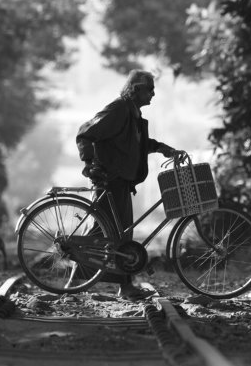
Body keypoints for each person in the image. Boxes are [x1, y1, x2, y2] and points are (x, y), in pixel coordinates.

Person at [76, 70, 180, 300]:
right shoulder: (118, 110)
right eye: (150, 89)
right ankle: (84, 282)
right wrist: (89, 163)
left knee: (119, 235)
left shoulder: (132, 112)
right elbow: (85, 133)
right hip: (109, 179)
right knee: (107, 233)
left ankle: (120, 285)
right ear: (136, 89)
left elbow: (137, 144)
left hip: (120, 181)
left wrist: (162, 148)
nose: (153, 94)